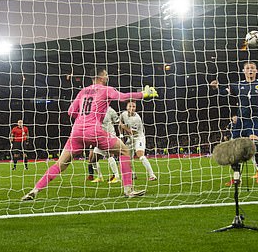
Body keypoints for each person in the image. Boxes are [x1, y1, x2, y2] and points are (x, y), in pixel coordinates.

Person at [21, 68, 158, 200]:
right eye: (106, 74)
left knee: (61, 163)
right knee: (125, 151)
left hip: (77, 131)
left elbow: (71, 112)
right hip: (94, 131)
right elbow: (122, 97)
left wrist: (83, 117)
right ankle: (128, 190)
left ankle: (35, 190)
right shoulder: (106, 89)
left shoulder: (83, 91)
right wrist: (143, 94)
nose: (107, 77)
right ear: (101, 77)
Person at [210, 61, 258, 185]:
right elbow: (224, 93)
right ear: (244, 71)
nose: (250, 70)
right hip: (241, 120)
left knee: (254, 144)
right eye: (247, 68)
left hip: (255, 119)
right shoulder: (237, 85)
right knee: (233, 149)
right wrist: (216, 88)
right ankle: (236, 177)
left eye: (252, 68)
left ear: (256, 70)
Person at [119, 101, 157, 181]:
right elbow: (119, 123)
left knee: (140, 155)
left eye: (133, 107)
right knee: (126, 157)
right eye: (130, 106)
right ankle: (132, 174)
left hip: (138, 138)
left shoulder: (137, 119)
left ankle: (152, 175)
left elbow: (132, 132)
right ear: (126, 107)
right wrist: (121, 135)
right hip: (130, 139)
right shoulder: (123, 114)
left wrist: (123, 126)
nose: (131, 108)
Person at [86, 106, 121, 183]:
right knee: (93, 160)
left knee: (109, 155)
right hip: (100, 138)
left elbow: (118, 122)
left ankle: (117, 177)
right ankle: (99, 177)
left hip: (109, 136)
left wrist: (120, 134)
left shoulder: (110, 110)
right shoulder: (94, 110)